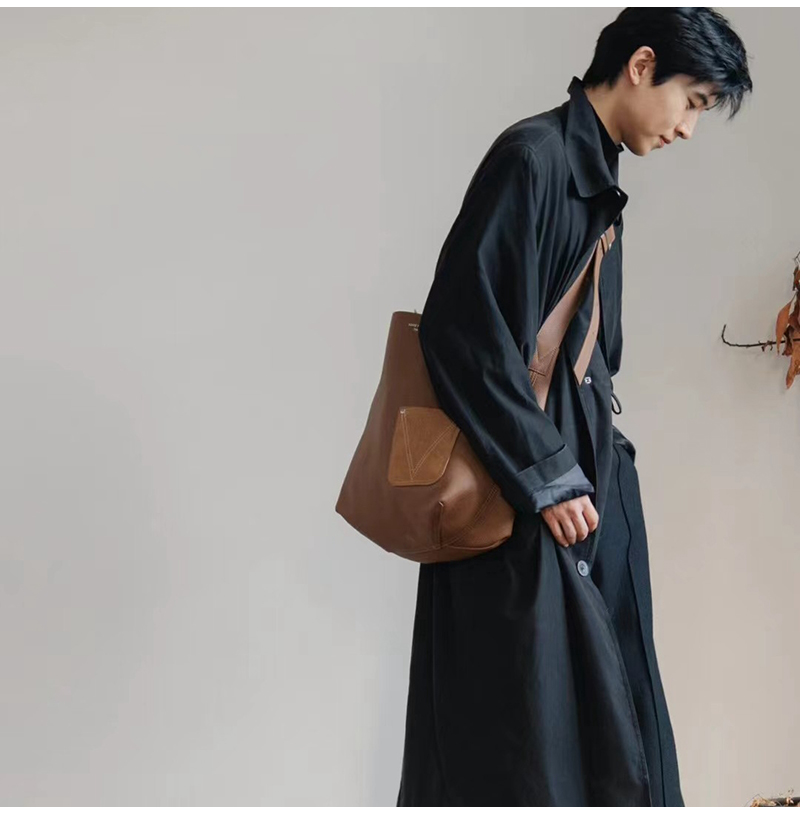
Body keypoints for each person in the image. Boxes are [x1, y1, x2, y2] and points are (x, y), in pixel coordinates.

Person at [395, 8, 752, 806]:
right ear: (641, 65)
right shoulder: (533, 159)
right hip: (530, 508)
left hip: (590, 499)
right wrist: (548, 474)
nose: (688, 128)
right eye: (692, 101)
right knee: (527, 748)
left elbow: (588, 361)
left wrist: (599, 477)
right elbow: (462, 327)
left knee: (615, 732)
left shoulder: (595, 179)